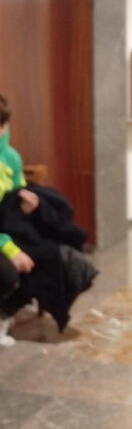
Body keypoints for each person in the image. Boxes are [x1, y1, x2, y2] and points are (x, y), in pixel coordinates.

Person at [0, 93, 98, 343]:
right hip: (3, 238)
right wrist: (10, 249)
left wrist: (27, 208)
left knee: (60, 257)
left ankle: (6, 311)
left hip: (7, 228)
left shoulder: (10, 157)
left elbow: (14, 201)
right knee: (9, 271)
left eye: (2, 125)